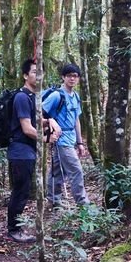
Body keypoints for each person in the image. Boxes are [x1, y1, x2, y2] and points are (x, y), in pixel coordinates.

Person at [43, 63, 89, 207]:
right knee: (76, 170)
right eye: (69, 76)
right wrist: (49, 126)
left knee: (57, 171)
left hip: (70, 138)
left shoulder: (75, 96)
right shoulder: (57, 95)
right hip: (60, 138)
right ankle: (83, 203)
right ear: (63, 77)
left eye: (75, 76)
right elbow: (39, 111)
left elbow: (76, 120)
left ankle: (53, 200)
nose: (72, 79)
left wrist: (80, 143)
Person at [6, 59, 42, 243]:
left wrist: (50, 122)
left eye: (40, 72)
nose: (38, 75)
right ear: (25, 75)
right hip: (20, 151)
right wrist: (44, 139)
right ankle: (14, 229)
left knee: (24, 189)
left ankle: (16, 227)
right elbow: (27, 128)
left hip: (27, 150)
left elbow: (36, 120)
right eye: (34, 72)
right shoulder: (21, 97)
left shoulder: (32, 97)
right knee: (20, 190)